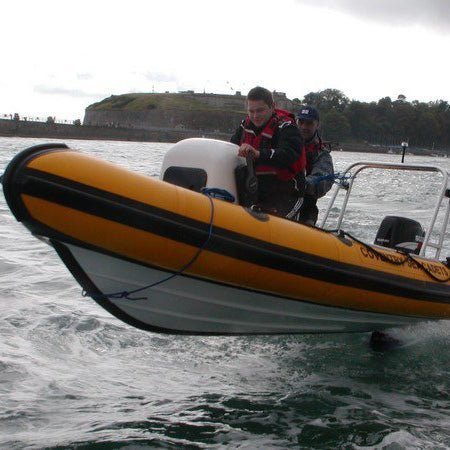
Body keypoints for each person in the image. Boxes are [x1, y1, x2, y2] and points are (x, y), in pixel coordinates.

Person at [231, 86, 306, 220]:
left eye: (260, 110)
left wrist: (258, 154)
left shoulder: (287, 128)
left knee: (277, 225)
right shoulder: (243, 128)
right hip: (253, 192)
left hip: (287, 193)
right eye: (251, 111)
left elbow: (288, 154)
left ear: (272, 107)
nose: (255, 116)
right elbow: (230, 149)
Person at [296, 106, 334, 225]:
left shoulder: (322, 154)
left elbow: (323, 180)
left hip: (304, 208)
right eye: (301, 122)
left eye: (309, 123)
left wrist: (301, 183)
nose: (304, 127)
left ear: (317, 125)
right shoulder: (283, 143)